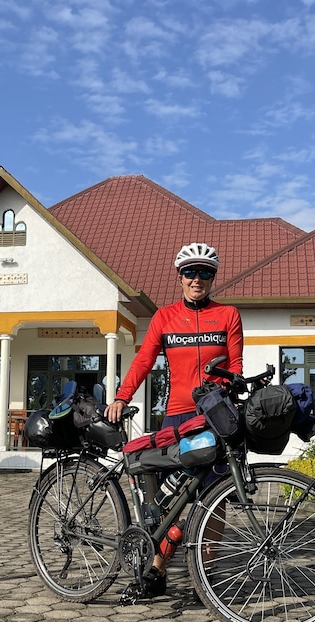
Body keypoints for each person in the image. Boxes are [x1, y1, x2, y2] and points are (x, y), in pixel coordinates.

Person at [104, 242, 243, 599]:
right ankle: (157, 571)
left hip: (214, 416)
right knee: (169, 501)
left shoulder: (228, 315)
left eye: (205, 273)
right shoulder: (164, 317)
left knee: (215, 498)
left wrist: (233, 392)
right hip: (177, 418)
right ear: (180, 277)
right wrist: (122, 396)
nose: (197, 279)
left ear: (213, 278)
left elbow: (236, 367)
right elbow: (143, 361)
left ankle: (205, 577)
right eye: (190, 272)